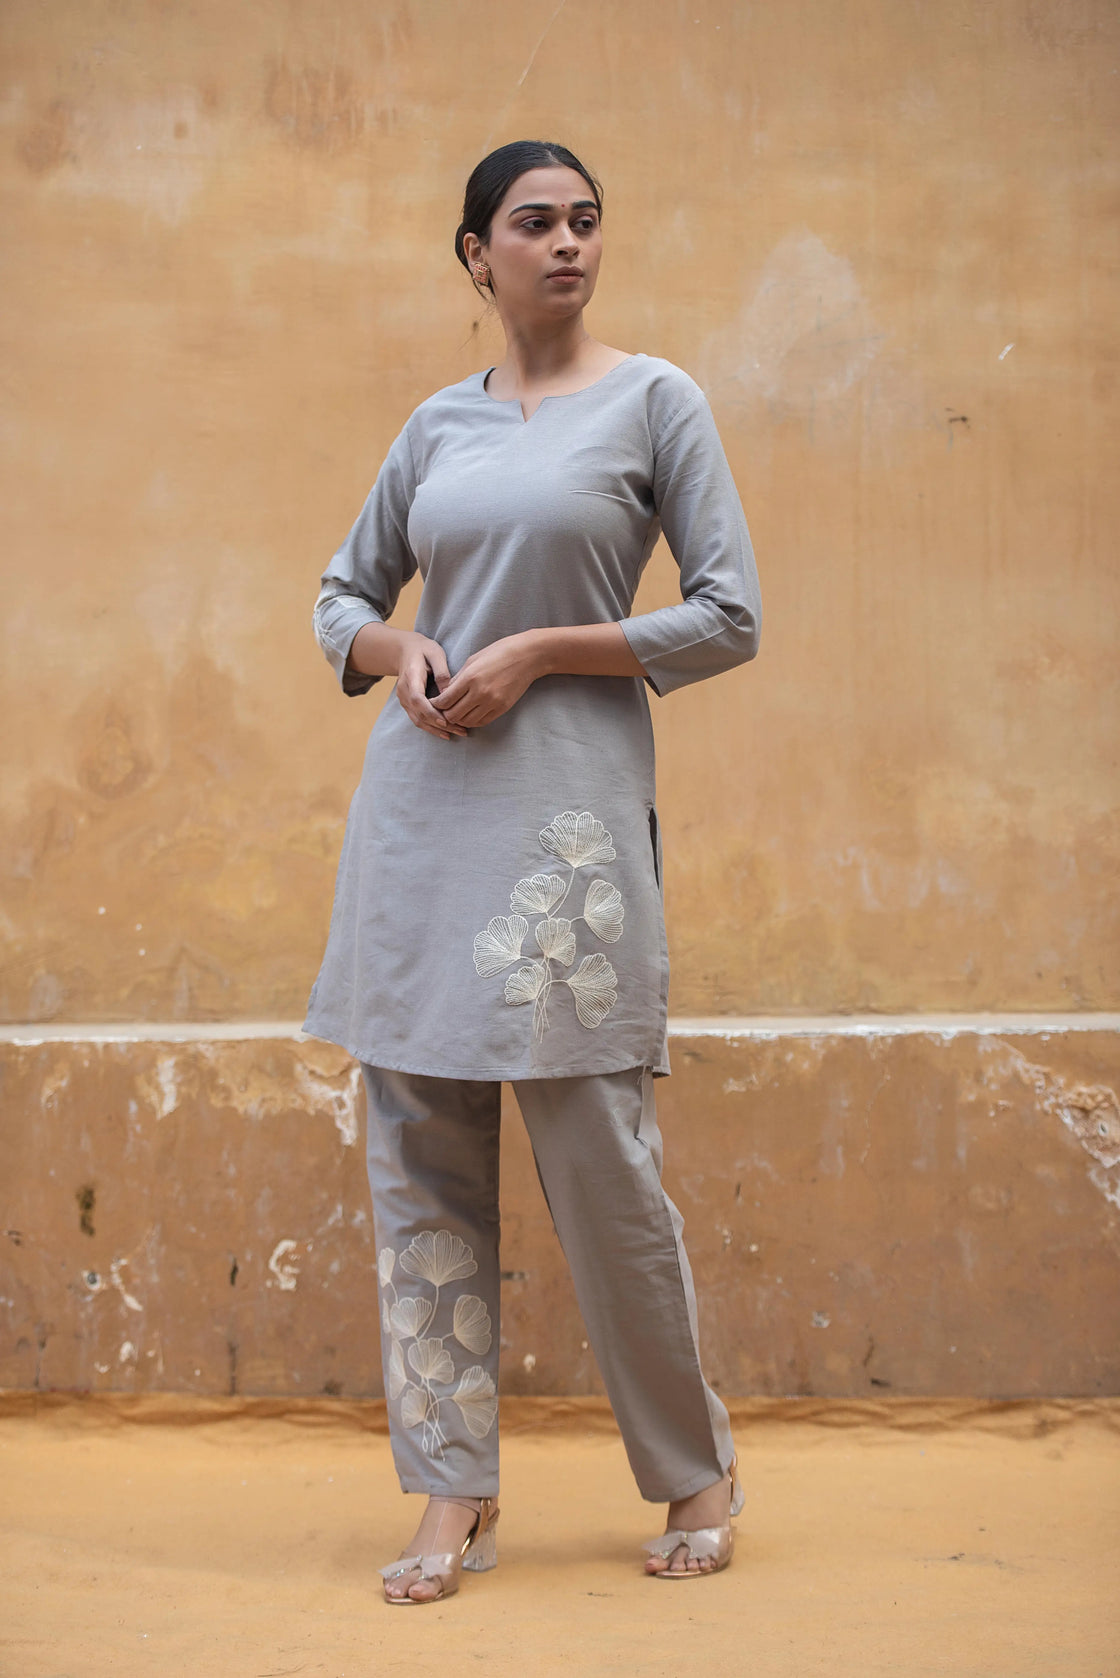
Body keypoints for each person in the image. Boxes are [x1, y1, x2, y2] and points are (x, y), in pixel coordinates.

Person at [306, 139, 761, 1604]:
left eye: (584, 222)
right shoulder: (435, 426)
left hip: (566, 839)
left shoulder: (655, 401)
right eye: (532, 224)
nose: (566, 244)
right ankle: (453, 1491)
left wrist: (542, 649)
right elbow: (339, 595)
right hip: (421, 829)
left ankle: (695, 1464)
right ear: (475, 255)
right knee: (419, 1172)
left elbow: (729, 614)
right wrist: (402, 647)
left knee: (603, 1171)